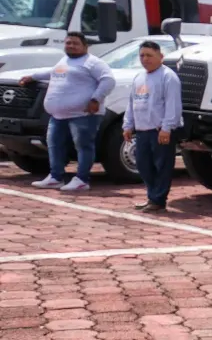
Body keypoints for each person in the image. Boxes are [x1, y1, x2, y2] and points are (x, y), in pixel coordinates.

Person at [22, 32, 114, 192]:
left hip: (83, 115)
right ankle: (55, 177)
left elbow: (108, 80)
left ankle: (82, 179)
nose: (71, 46)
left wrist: (95, 99)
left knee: (83, 146)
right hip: (58, 115)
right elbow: (53, 72)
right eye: (68, 43)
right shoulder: (65, 60)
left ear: (85, 46)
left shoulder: (93, 63)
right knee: (54, 144)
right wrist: (32, 77)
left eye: (75, 43)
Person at [122, 39, 183, 212]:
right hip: (142, 131)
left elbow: (173, 105)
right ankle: (152, 196)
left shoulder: (168, 76)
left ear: (160, 56)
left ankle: (158, 199)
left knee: (162, 166)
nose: (145, 59)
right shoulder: (139, 78)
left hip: (159, 131)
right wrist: (128, 125)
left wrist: (167, 127)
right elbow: (132, 103)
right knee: (143, 165)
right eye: (142, 55)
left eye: (149, 55)